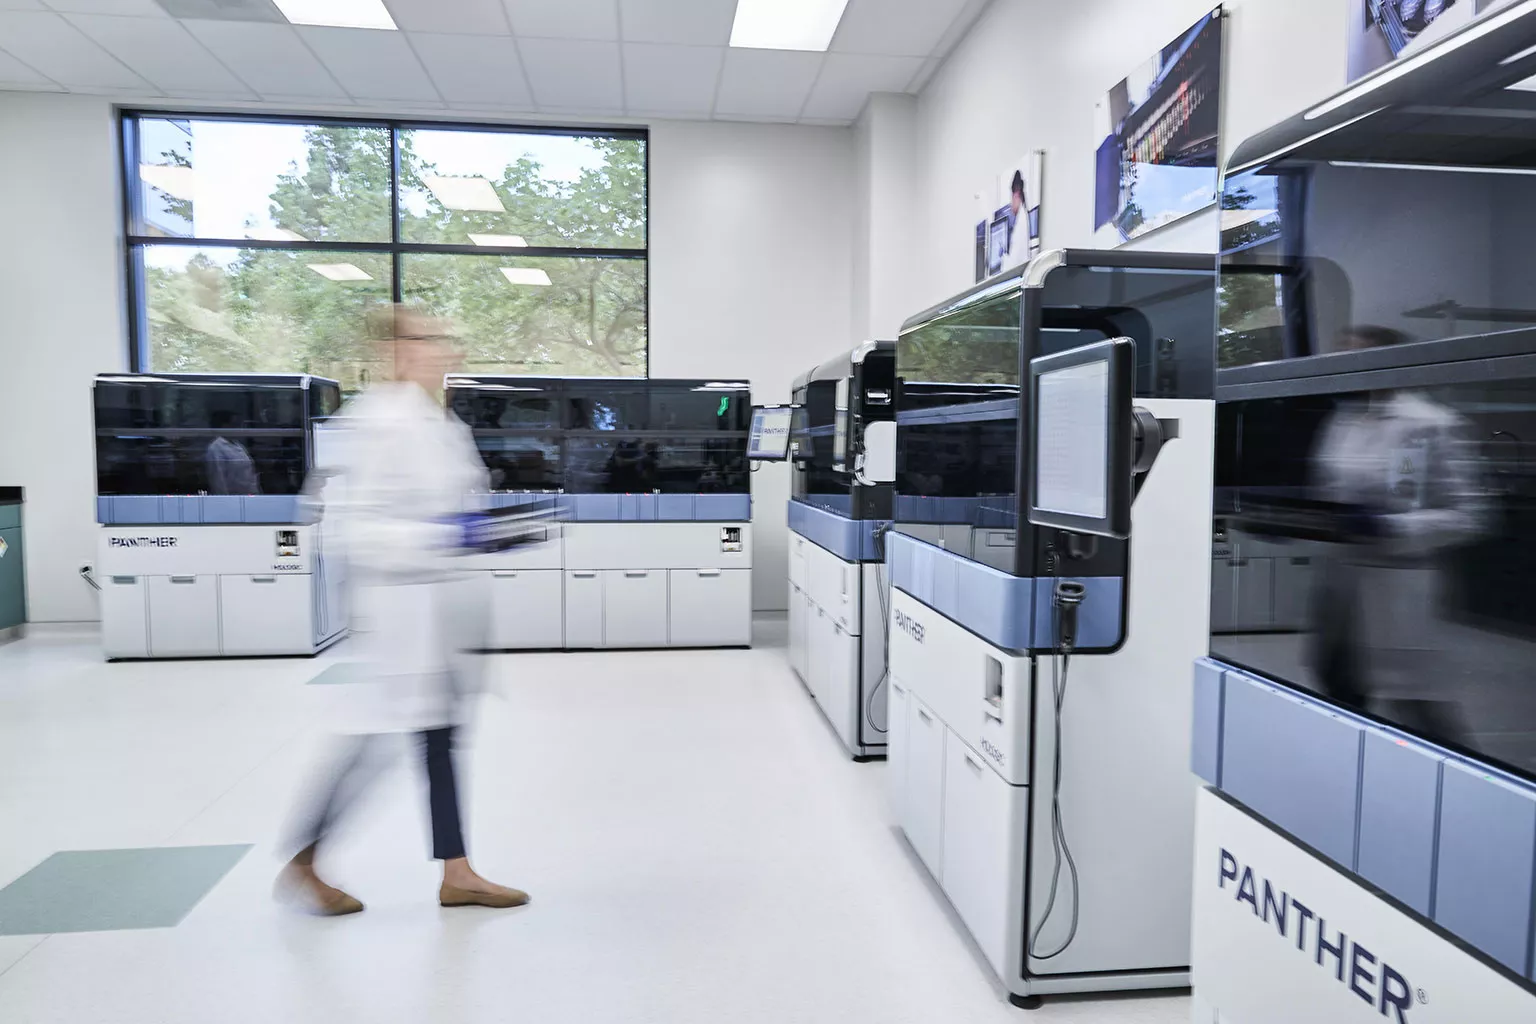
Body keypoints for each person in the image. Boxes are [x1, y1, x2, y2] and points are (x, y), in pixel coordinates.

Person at [276, 306, 528, 916]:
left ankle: (458, 871)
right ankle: (304, 859)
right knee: (377, 741)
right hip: (400, 614)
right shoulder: (373, 421)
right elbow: (349, 530)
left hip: (440, 610)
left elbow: (458, 502)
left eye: (445, 337)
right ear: (393, 348)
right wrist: (445, 537)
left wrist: (492, 529)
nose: (444, 349)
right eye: (426, 338)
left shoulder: (436, 420)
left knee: (438, 738)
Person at [1307, 325, 1488, 742]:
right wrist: (1298, 523)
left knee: (1415, 701)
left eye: (1359, 356)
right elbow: (1332, 492)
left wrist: (1391, 525)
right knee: (1338, 683)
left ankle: (1464, 788)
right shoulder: (1345, 418)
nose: (1347, 365)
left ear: (1390, 362)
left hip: (1397, 580)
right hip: (1340, 580)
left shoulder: (1431, 424)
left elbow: (1471, 513)